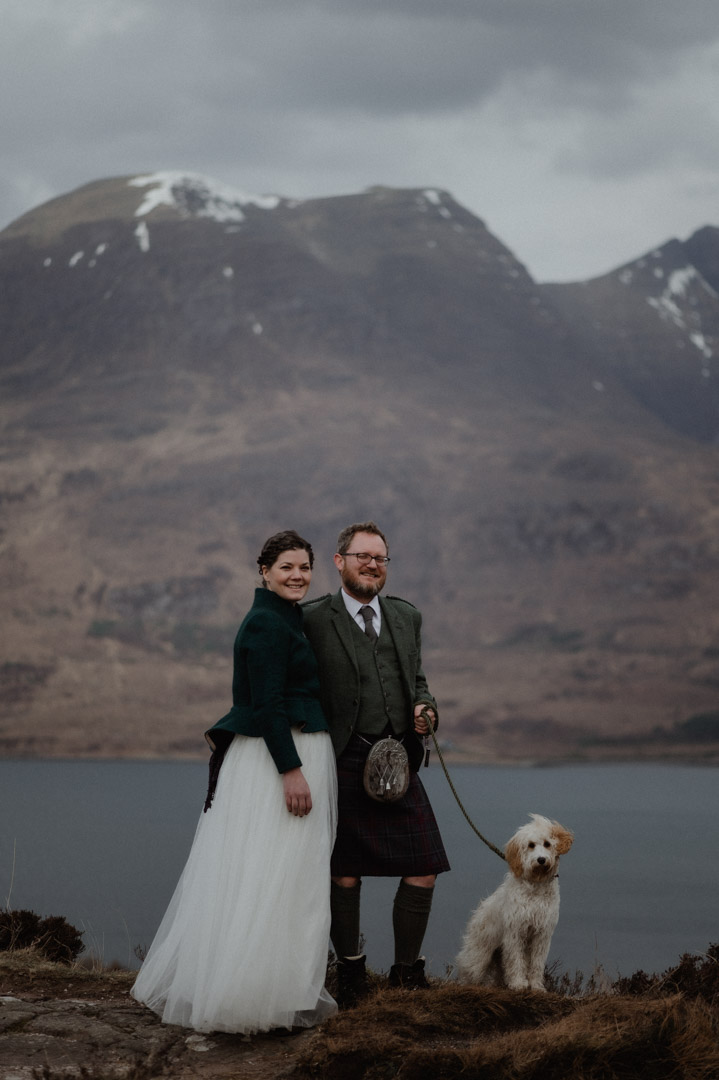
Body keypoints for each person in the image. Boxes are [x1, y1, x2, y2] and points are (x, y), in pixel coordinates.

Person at [131, 530, 338, 1034]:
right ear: (264, 571)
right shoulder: (267, 624)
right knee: (269, 876)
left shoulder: (286, 617)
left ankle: (273, 993)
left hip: (289, 750)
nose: (297, 576)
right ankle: (247, 1000)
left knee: (284, 878)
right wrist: (291, 770)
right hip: (279, 759)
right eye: (286, 567)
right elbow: (267, 705)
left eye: (304, 568)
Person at [302, 521, 449, 1003]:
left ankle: (406, 973)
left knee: (424, 865)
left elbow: (419, 680)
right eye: (363, 556)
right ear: (339, 561)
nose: (372, 565)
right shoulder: (313, 619)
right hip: (345, 757)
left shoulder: (407, 617)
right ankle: (350, 972)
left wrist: (425, 709)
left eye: (380, 558)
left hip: (399, 760)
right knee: (344, 871)